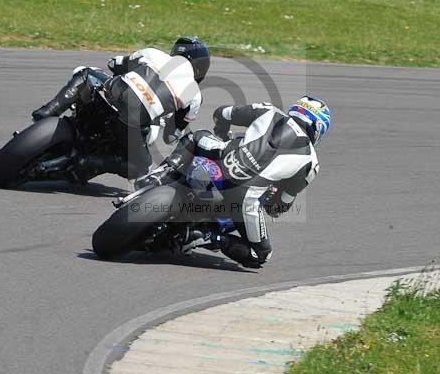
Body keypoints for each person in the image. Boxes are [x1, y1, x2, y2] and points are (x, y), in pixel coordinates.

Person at [136, 96, 330, 268]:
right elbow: (280, 205)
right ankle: (208, 237)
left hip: (221, 160)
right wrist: (271, 199)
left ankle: (160, 175)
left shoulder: (269, 110)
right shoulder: (311, 163)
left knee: (196, 136)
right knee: (261, 255)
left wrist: (221, 132)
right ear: (318, 128)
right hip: (245, 199)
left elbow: (223, 113)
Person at [31, 37, 210, 181]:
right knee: (142, 168)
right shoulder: (195, 95)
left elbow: (113, 64)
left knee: (86, 73)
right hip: (132, 124)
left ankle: (49, 111)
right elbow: (170, 136)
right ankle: (91, 161)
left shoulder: (153, 53)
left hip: (109, 95)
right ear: (199, 67)